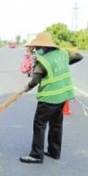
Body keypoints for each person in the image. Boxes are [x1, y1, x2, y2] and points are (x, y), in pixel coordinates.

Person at [20, 32, 83, 164]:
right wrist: (64, 64)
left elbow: (35, 80)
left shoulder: (43, 60)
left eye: (37, 46)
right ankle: (54, 152)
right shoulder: (63, 53)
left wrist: (26, 87)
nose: (36, 49)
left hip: (49, 97)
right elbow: (79, 56)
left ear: (43, 47)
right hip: (63, 95)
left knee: (39, 124)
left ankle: (36, 155)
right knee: (56, 124)